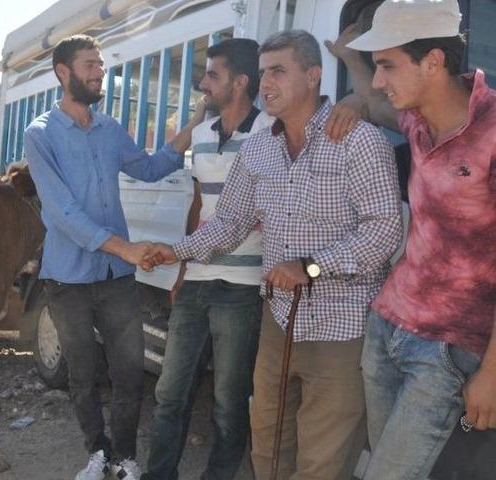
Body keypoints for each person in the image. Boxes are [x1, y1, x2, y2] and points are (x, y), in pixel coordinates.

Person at [143, 30, 403, 480]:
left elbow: (384, 232)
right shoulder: (258, 149)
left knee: (322, 464)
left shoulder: (359, 141)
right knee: (267, 447)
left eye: (279, 71)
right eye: (263, 73)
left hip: (341, 329)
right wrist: (174, 252)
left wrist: (311, 267)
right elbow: (230, 222)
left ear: (313, 76)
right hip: (278, 321)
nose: (266, 83)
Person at [323, 1, 496, 478]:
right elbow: (373, 98)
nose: (380, 80)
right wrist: (351, 61)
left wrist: (492, 372)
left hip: (448, 349)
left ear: (433, 62)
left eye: (388, 65)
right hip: (387, 327)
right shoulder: (417, 118)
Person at [24, 34, 207, 480]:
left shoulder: (109, 130)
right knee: (83, 374)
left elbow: (150, 168)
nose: (99, 73)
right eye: (90, 65)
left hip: (116, 277)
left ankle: (124, 457)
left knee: (128, 372)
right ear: (63, 72)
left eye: (101, 66)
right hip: (67, 279)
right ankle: (97, 453)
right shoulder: (40, 134)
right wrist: (125, 247)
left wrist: (197, 122)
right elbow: (62, 212)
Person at [142, 38, 273, 480]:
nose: (203, 84)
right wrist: (182, 269)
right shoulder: (200, 136)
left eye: (213, 75)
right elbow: (198, 205)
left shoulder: (270, 132)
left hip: (242, 286)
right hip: (196, 280)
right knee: (169, 394)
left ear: (240, 82)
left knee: (228, 403)